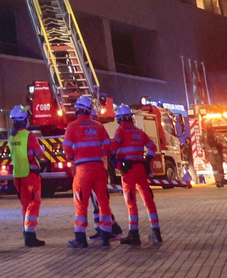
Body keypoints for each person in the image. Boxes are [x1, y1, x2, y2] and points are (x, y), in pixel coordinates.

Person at [62, 95, 116, 248]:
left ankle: (80, 239)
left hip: (82, 170)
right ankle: (106, 235)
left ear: (78, 109)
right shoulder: (99, 126)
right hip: (99, 169)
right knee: (103, 202)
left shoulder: (72, 126)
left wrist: (73, 157)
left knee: (81, 203)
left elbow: (66, 149)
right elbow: (108, 147)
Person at [113, 104, 162, 246]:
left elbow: (112, 149)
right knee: (148, 200)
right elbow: (153, 147)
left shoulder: (121, 130)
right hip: (141, 168)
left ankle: (134, 234)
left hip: (128, 171)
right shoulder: (139, 131)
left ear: (119, 119)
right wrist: (147, 161)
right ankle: (156, 232)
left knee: (131, 202)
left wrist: (116, 164)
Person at [6, 105, 46, 247]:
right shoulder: (29, 136)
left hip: (18, 175)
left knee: (25, 205)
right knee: (34, 203)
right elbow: (39, 154)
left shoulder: (12, 137)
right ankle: (30, 235)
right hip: (30, 174)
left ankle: (26, 231)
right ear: (24, 119)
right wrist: (43, 149)